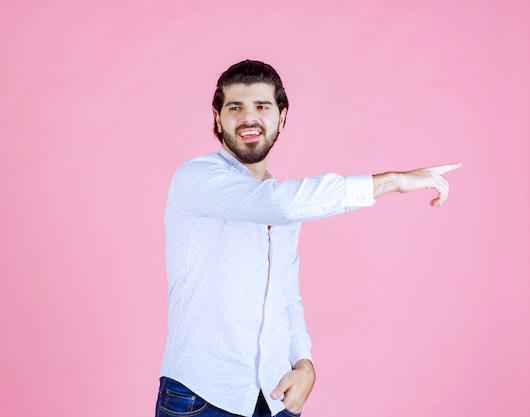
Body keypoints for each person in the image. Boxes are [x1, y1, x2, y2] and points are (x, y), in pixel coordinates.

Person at [155, 59, 461, 417]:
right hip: (201, 398)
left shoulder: (282, 199)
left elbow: (286, 294)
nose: (248, 118)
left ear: (282, 118)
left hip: (273, 398)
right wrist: (392, 181)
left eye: (262, 107)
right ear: (218, 118)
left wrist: (304, 363)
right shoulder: (198, 178)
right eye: (235, 107)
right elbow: (276, 205)